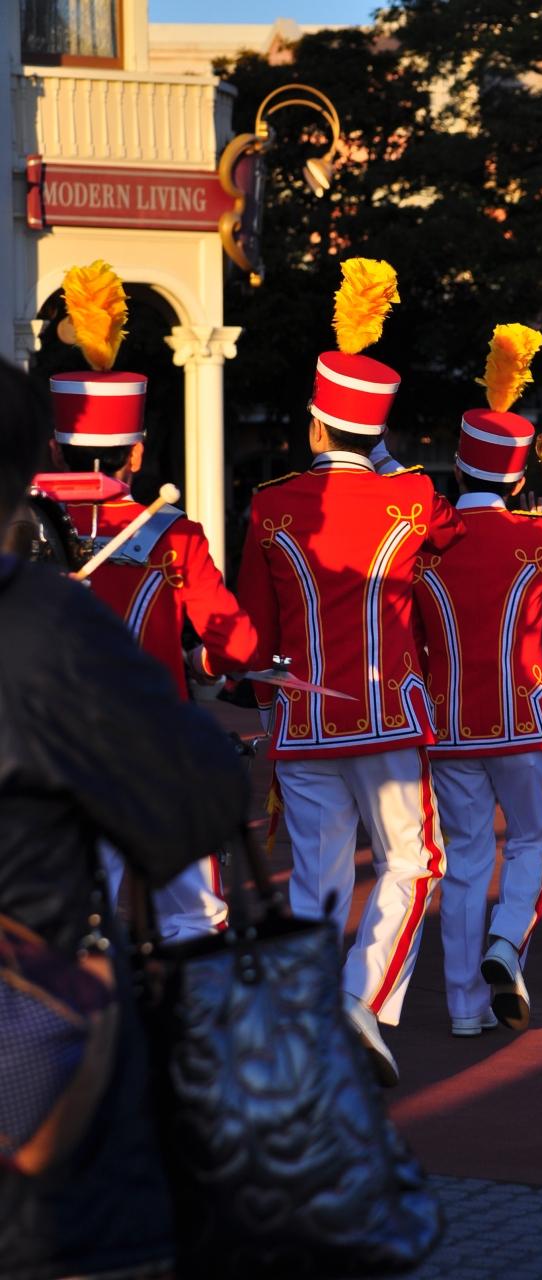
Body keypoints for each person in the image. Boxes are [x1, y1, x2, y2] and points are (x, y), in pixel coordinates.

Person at [0, 356, 249, 1280]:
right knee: (190, 924)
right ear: (136, 449)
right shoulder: (149, 545)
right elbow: (209, 783)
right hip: (43, 1006)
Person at [237, 258, 465, 1087]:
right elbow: (450, 536)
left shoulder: (271, 504)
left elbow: (255, 634)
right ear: (378, 432)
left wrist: (258, 690)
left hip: (303, 719)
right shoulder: (414, 499)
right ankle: (359, 1001)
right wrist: (395, 470)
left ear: (315, 426)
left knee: (317, 881)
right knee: (415, 863)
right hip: (390, 716)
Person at [49, 262, 258, 941]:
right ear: (135, 456)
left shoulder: (15, 528)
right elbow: (238, 644)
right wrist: (204, 664)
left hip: (41, 752)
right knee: (194, 919)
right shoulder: (172, 534)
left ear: (55, 446)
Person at [412, 325, 542, 1034]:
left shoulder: (426, 543)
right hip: (523, 719)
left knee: (465, 861)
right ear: (518, 479)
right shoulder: (536, 535)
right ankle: (507, 938)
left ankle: (464, 1008)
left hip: (446, 722)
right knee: (537, 839)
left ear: (459, 472)